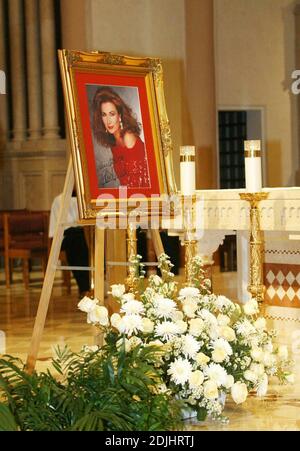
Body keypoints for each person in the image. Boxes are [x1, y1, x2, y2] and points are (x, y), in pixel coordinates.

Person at [92, 86, 150, 188]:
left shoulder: (128, 137)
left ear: (119, 115)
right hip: (129, 198)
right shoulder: (114, 142)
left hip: (142, 197)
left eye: (112, 114)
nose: (108, 121)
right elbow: (125, 183)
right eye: (104, 115)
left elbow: (137, 183)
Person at [49, 192, 90, 297]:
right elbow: (57, 226)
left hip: (82, 235)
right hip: (64, 237)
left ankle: (88, 286)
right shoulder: (59, 200)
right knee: (76, 239)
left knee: (80, 238)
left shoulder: (85, 198)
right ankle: (84, 287)